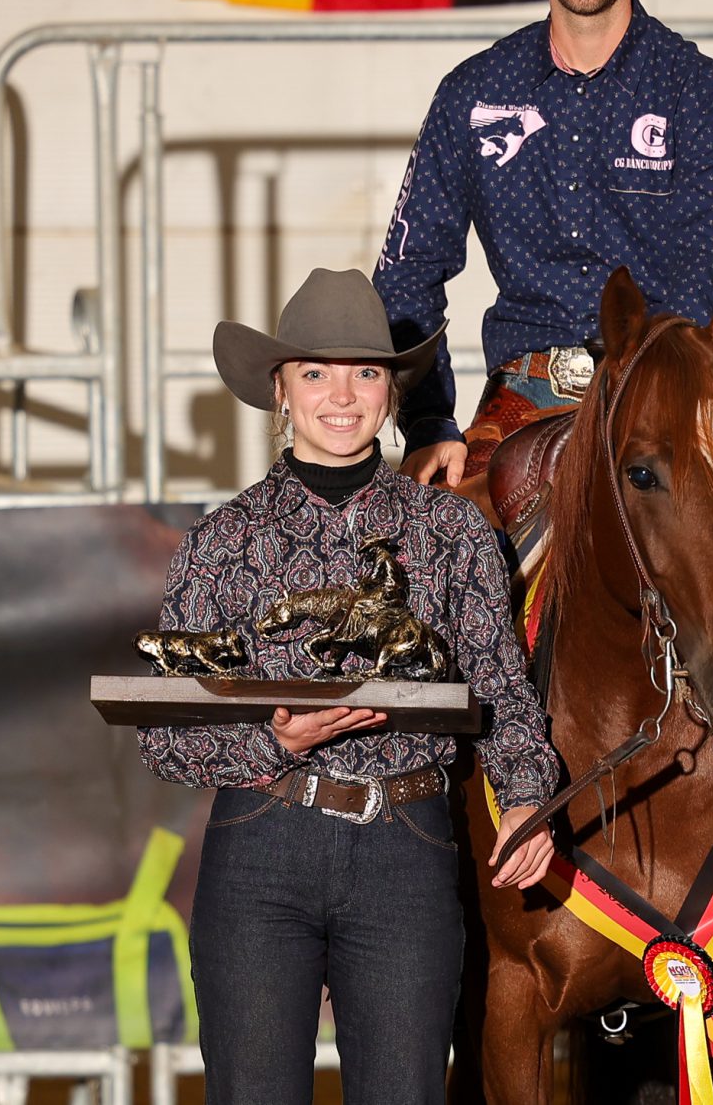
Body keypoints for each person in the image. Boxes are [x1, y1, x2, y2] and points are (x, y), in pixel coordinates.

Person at [136, 268, 557, 1105]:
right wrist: (269, 742)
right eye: (317, 372)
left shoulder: (452, 533)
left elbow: (505, 697)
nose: (342, 394)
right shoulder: (224, 540)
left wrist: (525, 797)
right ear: (279, 391)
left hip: (406, 846)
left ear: (392, 394)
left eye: (366, 372)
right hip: (264, 841)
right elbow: (162, 731)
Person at [374, 0, 713, 485]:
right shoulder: (472, 92)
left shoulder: (702, 93)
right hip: (522, 397)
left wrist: (652, 387)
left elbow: (707, 268)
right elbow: (408, 270)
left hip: (661, 386)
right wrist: (430, 422)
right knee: (438, 563)